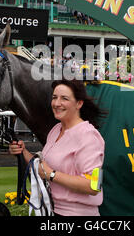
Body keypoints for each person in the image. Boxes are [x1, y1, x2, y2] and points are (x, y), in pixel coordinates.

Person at [9, 79, 106, 216]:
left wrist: (52, 175)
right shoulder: (56, 130)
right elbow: (44, 168)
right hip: (52, 210)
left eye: (64, 98)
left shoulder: (89, 137)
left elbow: (93, 185)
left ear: (79, 103)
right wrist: (23, 152)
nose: (56, 103)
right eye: (54, 97)